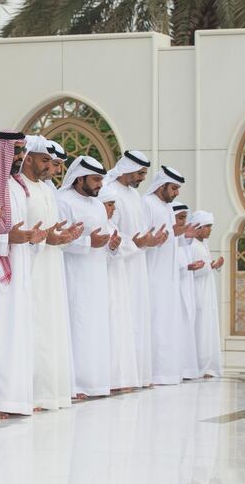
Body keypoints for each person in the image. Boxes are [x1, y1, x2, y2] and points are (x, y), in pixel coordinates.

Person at [0, 131, 46, 417]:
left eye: (20, 153)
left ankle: (18, 398)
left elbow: (18, 229)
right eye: (14, 152)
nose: (18, 158)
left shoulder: (17, 187)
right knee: (0, 334)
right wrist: (8, 239)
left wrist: (31, 236)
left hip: (19, 268)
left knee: (18, 333)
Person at [21, 135, 79, 410]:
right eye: (45, 160)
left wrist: (63, 235)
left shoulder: (47, 190)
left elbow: (49, 228)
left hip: (50, 267)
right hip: (29, 267)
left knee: (49, 326)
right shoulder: (20, 187)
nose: (49, 167)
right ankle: (30, 392)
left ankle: (49, 392)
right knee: (32, 325)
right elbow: (23, 229)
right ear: (28, 158)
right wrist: (47, 238)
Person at [58, 156, 120, 398]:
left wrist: (111, 245)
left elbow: (102, 241)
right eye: (95, 180)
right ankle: (75, 384)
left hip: (96, 276)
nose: (99, 186)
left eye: (101, 180)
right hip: (73, 275)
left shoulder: (96, 205)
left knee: (95, 329)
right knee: (77, 327)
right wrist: (87, 242)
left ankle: (95, 382)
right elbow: (59, 240)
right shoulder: (63, 201)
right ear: (79, 178)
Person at [102, 150, 163, 387]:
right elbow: (109, 229)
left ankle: (135, 375)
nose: (141, 178)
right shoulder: (110, 190)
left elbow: (140, 230)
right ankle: (117, 377)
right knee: (118, 318)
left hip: (136, 265)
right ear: (127, 168)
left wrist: (150, 240)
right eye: (139, 173)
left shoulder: (133, 195)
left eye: (144, 174)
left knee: (136, 319)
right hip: (116, 265)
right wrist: (135, 244)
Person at [143, 165, 187, 385]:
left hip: (168, 278)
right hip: (153, 276)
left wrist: (174, 233)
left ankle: (168, 372)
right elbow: (145, 237)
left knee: (167, 325)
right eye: (174, 188)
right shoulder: (147, 204)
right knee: (155, 325)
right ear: (162, 185)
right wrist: (171, 233)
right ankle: (153, 373)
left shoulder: (167, 208)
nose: (176, 193)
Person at [98, 185, 140, 390]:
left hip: (117, 283)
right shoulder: (98, 226)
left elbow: (128, 246)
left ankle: (120, 378)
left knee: (119, 327)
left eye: (114, 204)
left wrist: (116, 246)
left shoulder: (111, 226)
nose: (113, 209)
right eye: (109, 204)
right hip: (102, 285)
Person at [188, 210, 223, 377]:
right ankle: (199, 366)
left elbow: (205, 266)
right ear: (198, 227)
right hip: (198, 293)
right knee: (200, 329)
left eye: (211, 226)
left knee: (208, 329)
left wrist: (214, 265)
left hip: (207, 293)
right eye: (207, 226)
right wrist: (212, 266)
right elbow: (192, 270)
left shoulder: (203, 244)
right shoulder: (191, 245)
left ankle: (208, 366)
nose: (210, 229)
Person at [173, 202, 203, 380]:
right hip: (172, 293)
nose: (184, 222)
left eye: (185, 218)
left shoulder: (184, 243)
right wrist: (186, 267)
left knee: (186, 326)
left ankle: (186, 368)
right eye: (180, 218)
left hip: (185, 289)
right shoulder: (167, 240)